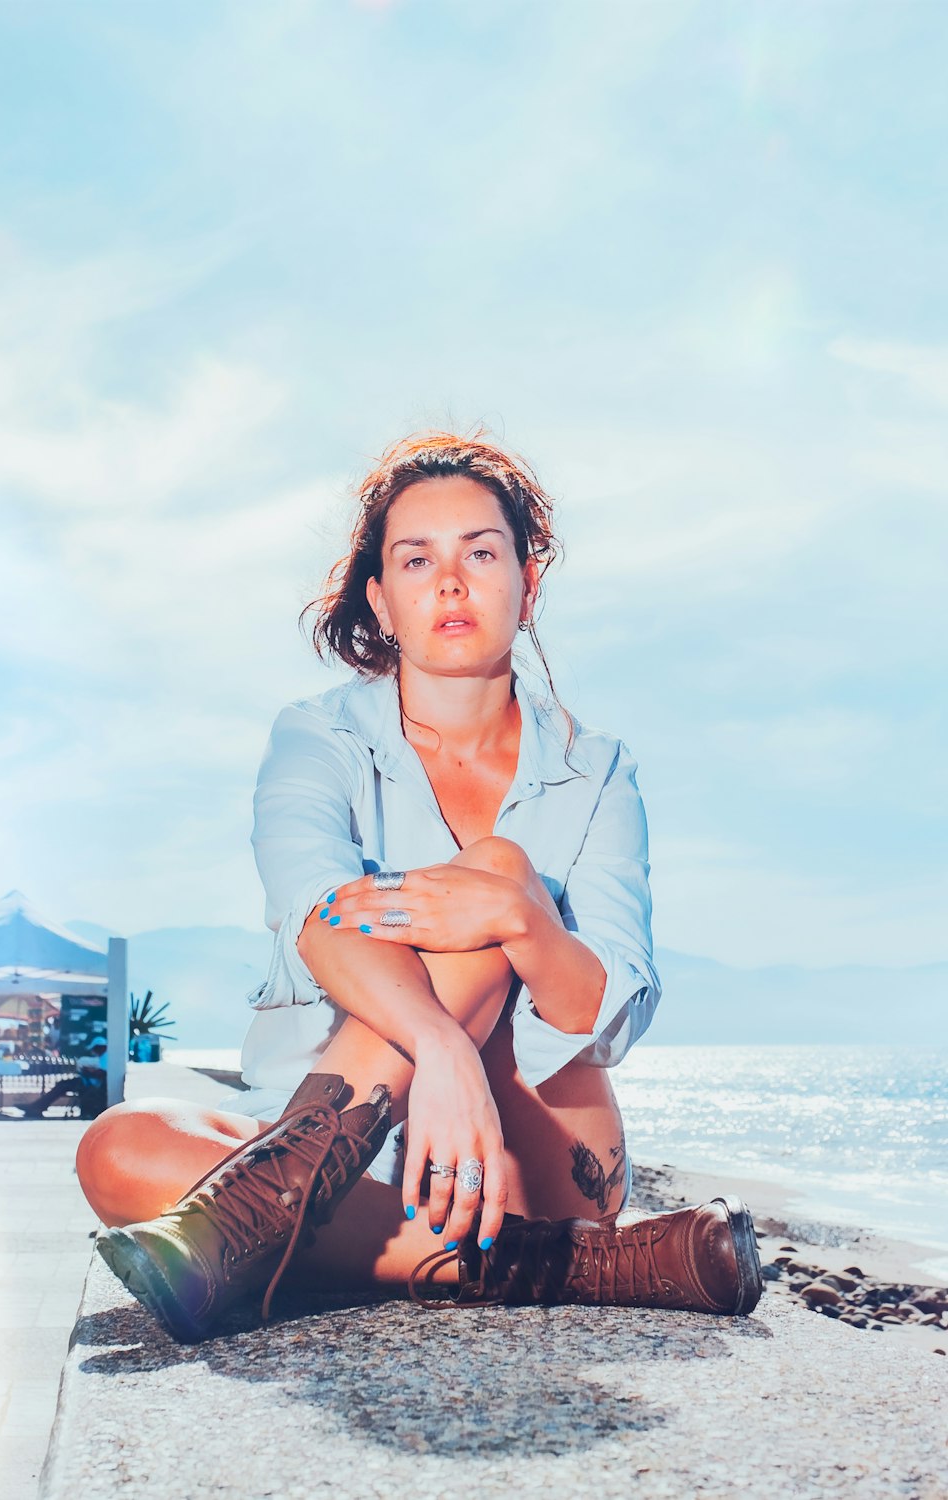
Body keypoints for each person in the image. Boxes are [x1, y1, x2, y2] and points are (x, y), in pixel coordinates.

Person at [78, 429, 762, 1342]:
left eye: (481, 553)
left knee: (501, 872)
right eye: (417, 559)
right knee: (118, 1151)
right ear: (382, 598)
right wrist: (439, 1046)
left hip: (531, 1153)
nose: (451, 581)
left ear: (528, 580)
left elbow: (611, 1003)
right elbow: (320, 917)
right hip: (338, 1143)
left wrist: (520, 917)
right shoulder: (317, 738)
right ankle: (566, 1266)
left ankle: (265, 1222)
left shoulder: (597, 772)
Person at [20, 1040, 108, 1119]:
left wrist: (88, 1071)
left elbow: (101, 1073)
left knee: (62, 1085)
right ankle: (38, 1106)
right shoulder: (103, 1057)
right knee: (62, 1084)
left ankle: (38, 1106)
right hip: (87, 1081)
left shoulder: (106, 1057)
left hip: (89, 1084)